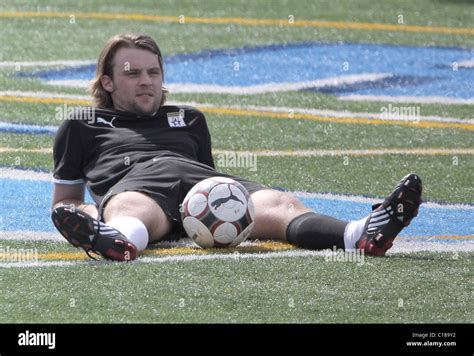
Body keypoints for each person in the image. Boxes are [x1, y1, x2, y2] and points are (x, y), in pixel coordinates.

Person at [51, 33, 423, 261]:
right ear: (108, 82)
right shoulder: (82, 123)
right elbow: (63, 202)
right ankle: (118, 241)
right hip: (138, 186)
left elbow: (205, 175)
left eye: (154, 72)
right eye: (132, 73)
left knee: (280, 203)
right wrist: (85, 211)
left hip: (204, 187)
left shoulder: (190, 118)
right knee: (132, 208)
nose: (146, 81)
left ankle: (360, 234)